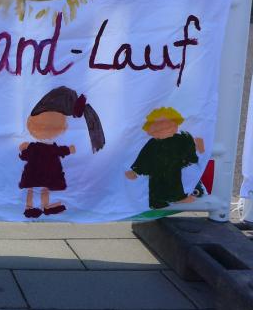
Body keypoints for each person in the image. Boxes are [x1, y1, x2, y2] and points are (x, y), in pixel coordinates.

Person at [19, 86, 105, 218]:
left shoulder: (39, 147)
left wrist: (24, 150)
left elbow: (29, 155)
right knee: (38, 189)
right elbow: (56, 151)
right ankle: (33, 207)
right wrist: (24, 150)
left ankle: (41, 207)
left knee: (38, 189)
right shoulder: (39, 147)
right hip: (42, 172)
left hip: (36, 172)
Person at [126, 107, 204, 209]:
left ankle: (177, 198)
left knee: (174, 183)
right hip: (156, 171)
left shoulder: (181, 138)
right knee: (156, 188)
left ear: (176, 126)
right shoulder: (152, 143)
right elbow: (143, 157)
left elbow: (190, 151)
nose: (164, 128)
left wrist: (197, 146)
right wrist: (136, 171)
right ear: (150, 130)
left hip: (174, 169)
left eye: (169, 125)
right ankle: (156, 203)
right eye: (158, 127)